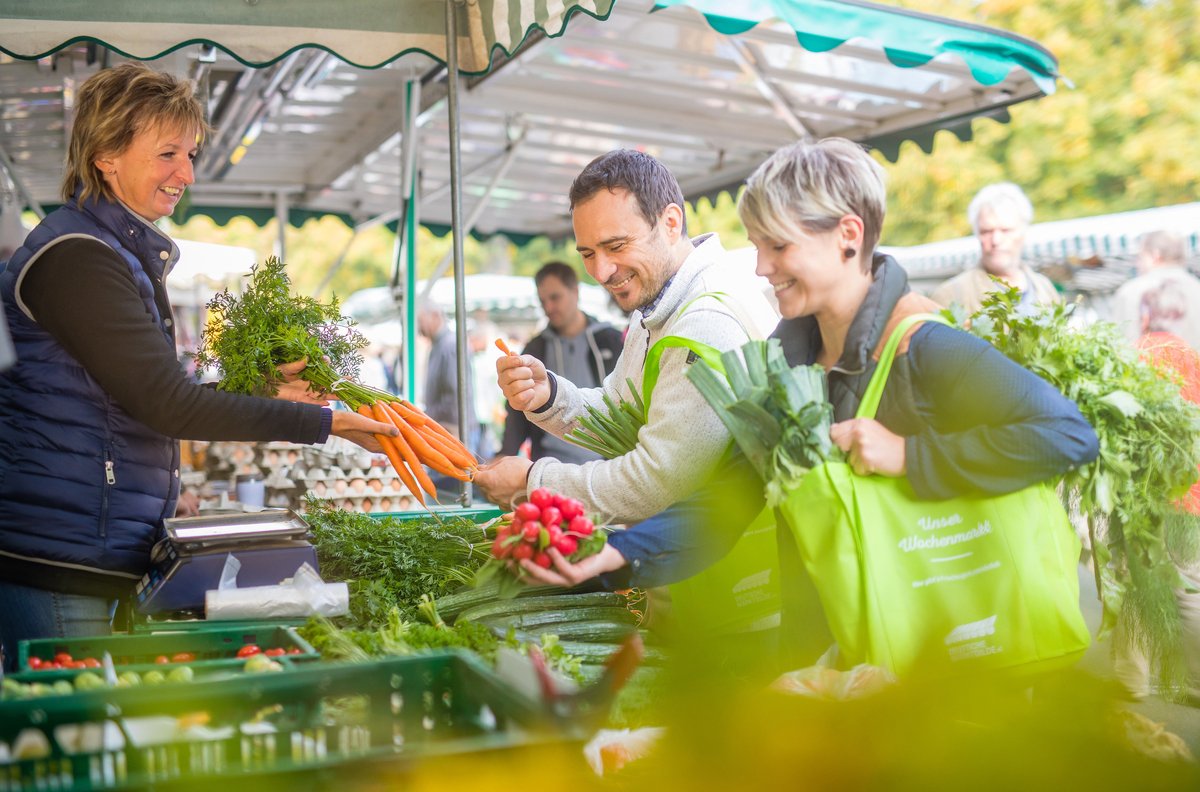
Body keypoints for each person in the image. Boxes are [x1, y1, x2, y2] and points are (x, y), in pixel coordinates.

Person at [515, 139, 1099, 668]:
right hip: (825, 654)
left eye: (778, 246)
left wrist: (908, 455)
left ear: (848, 236)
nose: (763, 268)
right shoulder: (787, 357)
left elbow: (1067, 435)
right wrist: (616, 555)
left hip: (946, 666)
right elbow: (736, 492)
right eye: (758, 247)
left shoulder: (924, 346)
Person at [0, 63, 397, 669]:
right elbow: (166, 403)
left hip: (84, 548)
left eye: (189, 154)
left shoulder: (105, 249)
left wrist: (270, 392)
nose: (185, 174)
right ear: (106, 154)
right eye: (167, 154)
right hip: (61, 559)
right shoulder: (77, 258)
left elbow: (136, 394)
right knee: (79, 732)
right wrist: (325, 423)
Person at [474, 149, 778, 521]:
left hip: (732, 569)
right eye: (587, 253)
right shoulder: (655, 303)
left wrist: (534, 480)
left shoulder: (706, 323)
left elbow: (658, 481)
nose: (601, 271)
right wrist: (549, 396)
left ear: (669, 223)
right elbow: (620, 412)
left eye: (616, 246)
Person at [497, 261, 623, 465]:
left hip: (604, 463)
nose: (548, 307)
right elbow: (517, 408)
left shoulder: (611, 341)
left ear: (575, 291)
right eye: (542, 301)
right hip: (549, 464)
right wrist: (506, 453)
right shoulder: (535, 348)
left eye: (555, 297)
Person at [931, 182, 1060, 317]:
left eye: (1006, 230)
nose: (996, 240)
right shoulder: (952, 295)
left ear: (1023, 232)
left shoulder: (1045, 288)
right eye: (986, 231)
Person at [417, 301, 480, 489]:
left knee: (453, 487)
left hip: (454, 432)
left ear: (436, 316)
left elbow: (456, 392)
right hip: (445, 431)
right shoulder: (438, 345)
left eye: (421, 321)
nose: (418, 327)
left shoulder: (450, 346)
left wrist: (446, 428)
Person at [1111, 230, 1200, 350]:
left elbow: (1118, 346)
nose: (1138, 263)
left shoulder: (1129, 292)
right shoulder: (1196, 288)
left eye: (1141, 257)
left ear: (1155, 255)